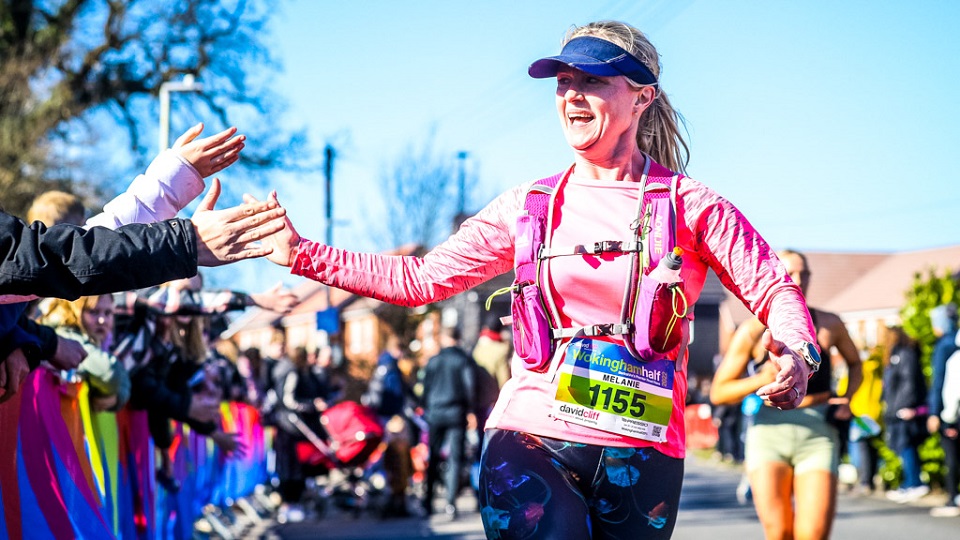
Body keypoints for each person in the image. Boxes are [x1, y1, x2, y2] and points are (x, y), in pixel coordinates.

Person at [254, 20, 819, 539]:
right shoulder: (529, 207)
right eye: (563, 80)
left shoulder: (690, 206)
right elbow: (422, 279)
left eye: (593, 80)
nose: (571, 93)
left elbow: (772, 286)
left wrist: (797, 350)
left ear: (642, 96)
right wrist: (303, 254)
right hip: (531, 434)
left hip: (643, 447)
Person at [711, 249, 862, 540]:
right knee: (779, 532)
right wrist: (761, 378)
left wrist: (847, 398)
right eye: (790, 273)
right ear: (774, 274)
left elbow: (855, 363)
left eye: (804, 273)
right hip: (770, 434)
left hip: (817, 432)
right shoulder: (754, 331)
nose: (798, 280)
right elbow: (719, 392)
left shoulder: (829, 323)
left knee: (812, 534)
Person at [420, 327, 477, 519]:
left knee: (433, 456)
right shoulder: (463, 360)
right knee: (455, 458)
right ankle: (450, 503)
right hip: (456, 412)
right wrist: (470, 410)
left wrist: (427, 406)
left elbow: (425, 389)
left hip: (435, 412)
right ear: (458, 338)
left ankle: (427, 501)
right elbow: (470, 387)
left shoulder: (433, 361)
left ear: (444, 338)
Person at [927, 304, 960, 517]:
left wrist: (935, 413)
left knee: (952, 456)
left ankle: (952, 499)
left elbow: (941, 383)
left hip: (951, 412)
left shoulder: (945, 346)